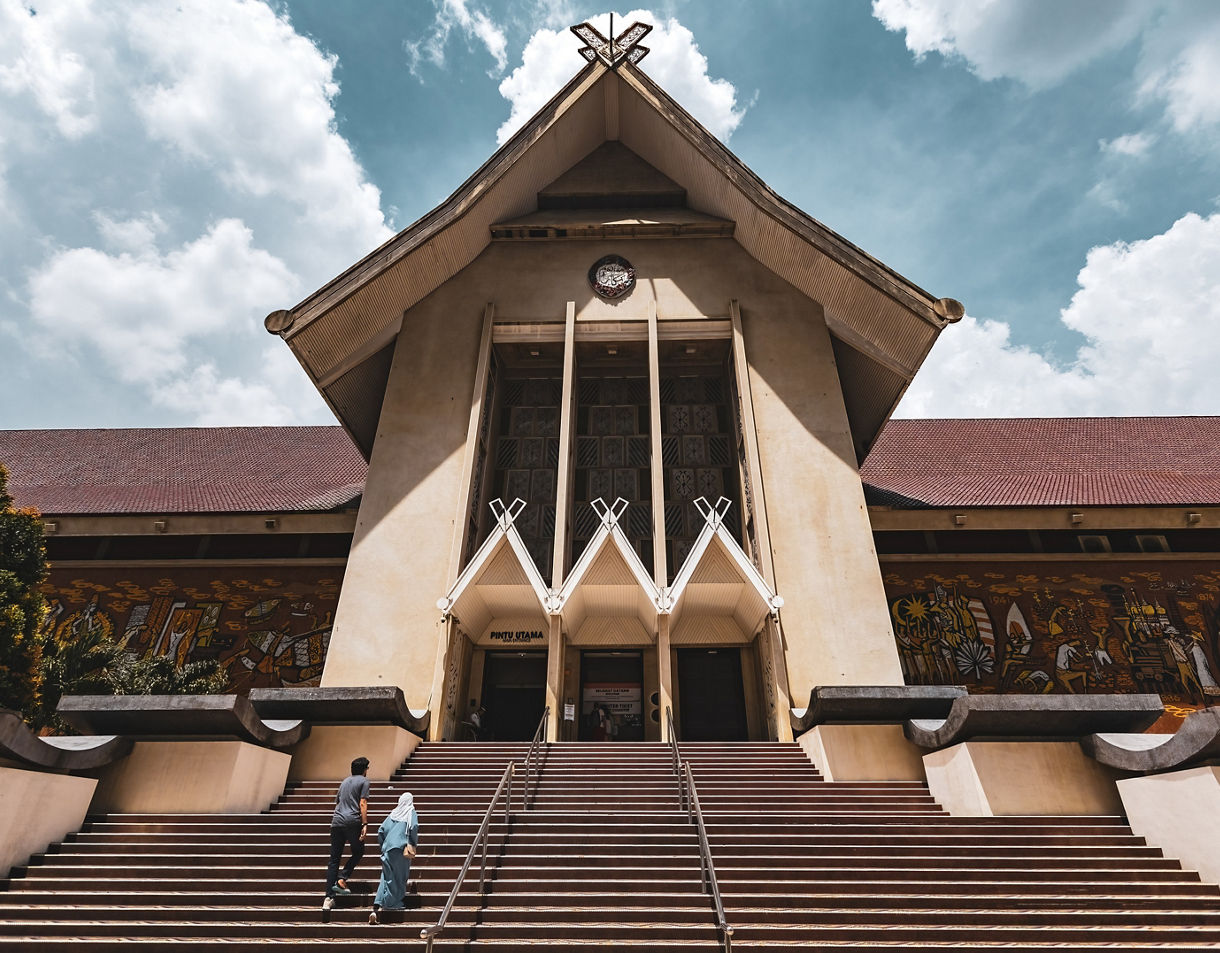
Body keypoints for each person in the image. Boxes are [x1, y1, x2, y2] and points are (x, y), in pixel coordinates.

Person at [322, 756, 370, 912]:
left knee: (334, 859)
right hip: (352, 822)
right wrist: (364, 824)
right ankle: (342, 878)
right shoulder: (364, 782)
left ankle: (328, 898)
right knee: (358, 851)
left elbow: (338, 802)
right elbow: (362, 803)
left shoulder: (344, 782)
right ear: (364, 770)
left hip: (336, 821)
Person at [369, 791, 420, 924]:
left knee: (385, 877)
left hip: (387, 849)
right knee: (399, 877)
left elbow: (380, 830)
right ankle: (393, 903)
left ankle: (376, 906)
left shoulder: (393, 813)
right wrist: (412, 842)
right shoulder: (410, 812)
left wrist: (383, 845)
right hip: (400, 849)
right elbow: (414, 826)